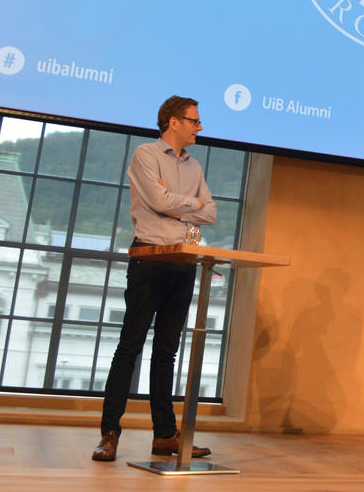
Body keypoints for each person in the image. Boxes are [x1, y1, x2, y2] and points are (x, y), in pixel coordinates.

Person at [92, 96, 217, 462]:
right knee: (129, 347)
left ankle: (165, 435)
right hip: (149, 258)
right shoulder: (146, 155)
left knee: (166, 353)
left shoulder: (195, 167)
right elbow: (160, 201)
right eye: (194, 121)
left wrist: (181, 204)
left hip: (183, 261)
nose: (199, 127)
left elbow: (209, 212)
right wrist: (186, 205)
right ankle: (110, 434)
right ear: (173, 122)